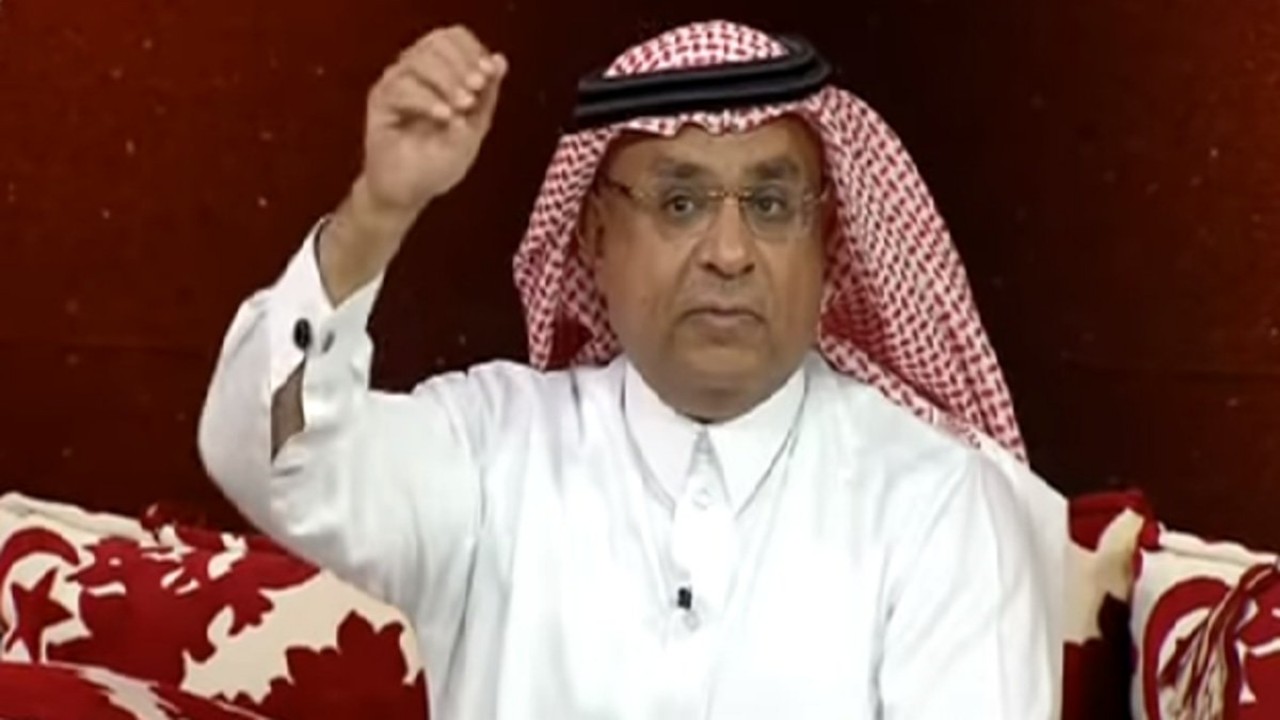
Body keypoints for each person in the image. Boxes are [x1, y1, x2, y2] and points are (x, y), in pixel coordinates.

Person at [198, 19, 1066, 719]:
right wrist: (377, 213)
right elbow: (272, 459)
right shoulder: (492, 452)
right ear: (595, 238)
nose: (730, 252)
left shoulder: (937, 502)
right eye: (680, 203)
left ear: (829, 244)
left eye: (770, 205)